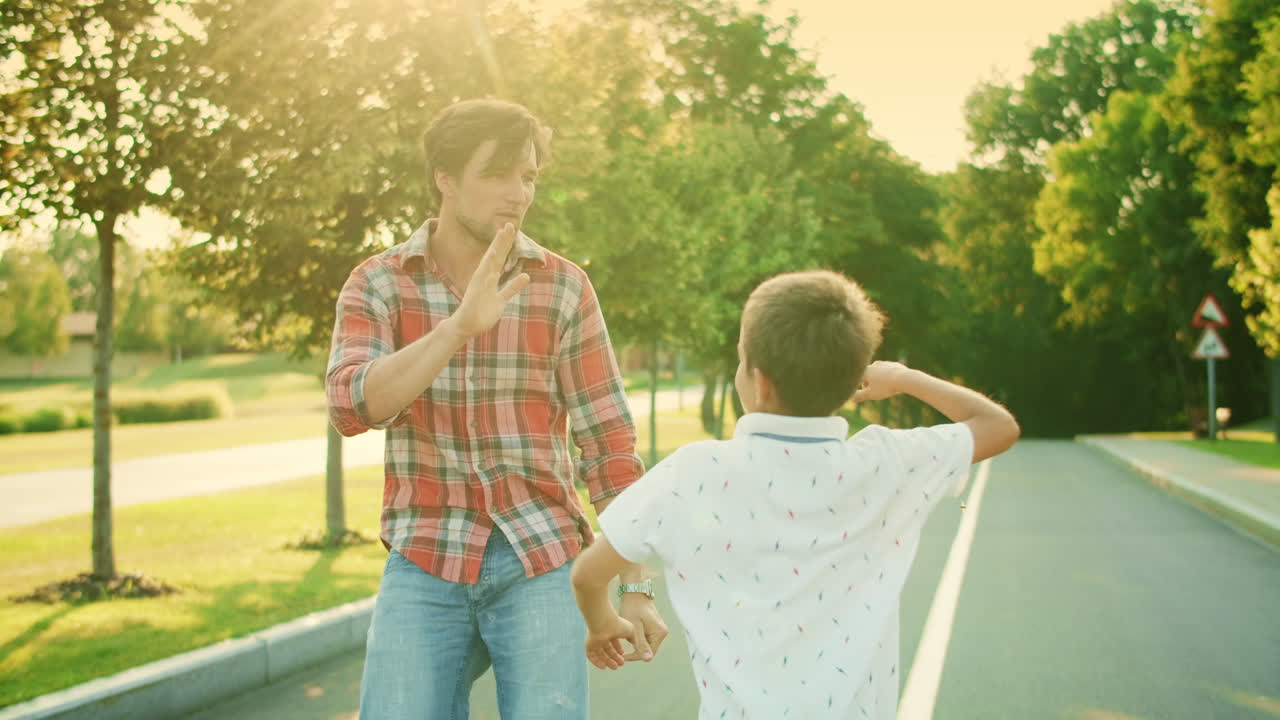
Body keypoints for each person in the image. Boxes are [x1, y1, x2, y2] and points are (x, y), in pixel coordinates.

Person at [326, 98, 667, 720]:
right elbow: (352, 406)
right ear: (445, 177)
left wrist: (636, 584)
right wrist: (456, 328)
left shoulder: (563, 287)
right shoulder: (379, 282)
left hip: (541, 554)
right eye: (497, 174)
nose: (518, 193)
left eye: (528, 176)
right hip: (425, 551)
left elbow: (610, 447)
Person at [571, 269, 1020, 719]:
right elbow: (998, 426)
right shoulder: (886, 463)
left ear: (761, 382)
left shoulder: (693, 471)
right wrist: (903, 378)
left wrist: (602, 622)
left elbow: (588, 575)